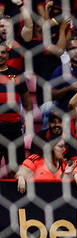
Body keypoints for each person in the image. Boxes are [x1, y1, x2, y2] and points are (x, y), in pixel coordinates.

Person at [0, 42, 32, 174]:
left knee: (16, 170)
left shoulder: (18, 75)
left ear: (8, 55)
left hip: (14, 129)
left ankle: (16, 194)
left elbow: (27, 101)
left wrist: (28, 122)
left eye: (3, 52)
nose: (0, 55)